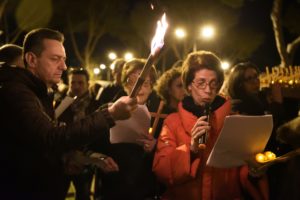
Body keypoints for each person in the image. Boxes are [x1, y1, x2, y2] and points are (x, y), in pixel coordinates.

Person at [0, 28, 136, 200]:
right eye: (55, 59)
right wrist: (109, 115)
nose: (63, 66)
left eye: (63, 59)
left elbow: (39, 145)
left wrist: (74, 159)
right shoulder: (16, 92)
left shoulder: (37, 91)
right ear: (32, 59)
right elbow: (50, 137)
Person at [153, 51, 268, 200]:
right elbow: (162, 170)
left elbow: (242, 169)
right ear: (188, 86)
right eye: (201, 83)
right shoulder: (172, 122)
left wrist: (254, 171)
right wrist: (191, 150)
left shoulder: (234, 121)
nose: (208, 90)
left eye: (214, 83)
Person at [100, 58, 158, 200]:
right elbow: (93, 146)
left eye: (144, 83)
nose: (139, 89)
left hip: (147, 188)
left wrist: (156, 146)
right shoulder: (108, 110)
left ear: (152, 86)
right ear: (124, 84)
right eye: (133, 83)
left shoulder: (161, 114)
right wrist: (101, 159)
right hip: (115, 184)